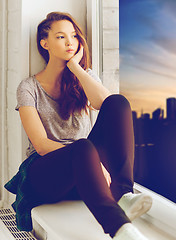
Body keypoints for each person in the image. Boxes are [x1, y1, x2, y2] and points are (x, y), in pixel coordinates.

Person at [4, 12, 152, 240]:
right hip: (47, 172)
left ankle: (124, 194)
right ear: (45, 43)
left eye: (74, 36)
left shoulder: (83, 76)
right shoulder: (28, 87)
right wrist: (91, 158)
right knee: (82, 147)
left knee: (118, 102)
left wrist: (76, 68)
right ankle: (121, 229)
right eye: (61, 37)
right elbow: (41, 145)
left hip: (85, 172)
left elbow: (106, 103)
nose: (70, 42)